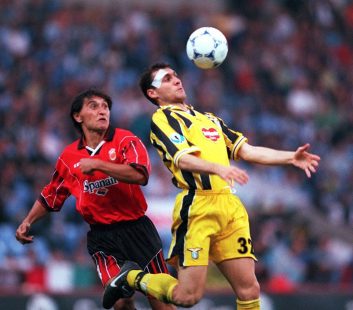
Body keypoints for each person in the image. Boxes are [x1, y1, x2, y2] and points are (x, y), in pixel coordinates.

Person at [102, 63, 321, 309]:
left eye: (175, 75)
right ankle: (132, 277)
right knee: (187, 297)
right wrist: (218, 168)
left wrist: (290, 157)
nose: (176, 80)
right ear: (153, 93)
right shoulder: (163, 119)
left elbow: (247, 150)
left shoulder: (209, 119)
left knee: (249, 289)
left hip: (229, 206)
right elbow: (181, 158)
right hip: (198, 205)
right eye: (166, 79)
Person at [15, 89, 175, 310]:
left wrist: (99, 164)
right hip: (102, 237)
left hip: (138, 230)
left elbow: (140, 175)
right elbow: (51, 196)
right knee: (119, 303)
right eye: (94, 106)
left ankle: (130, 277)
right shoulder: (69, 157)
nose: (102, 111)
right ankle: (128, 279)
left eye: (106, 107)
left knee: (161, 304)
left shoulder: (125, 140)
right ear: (78, 116)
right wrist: (28, 221)